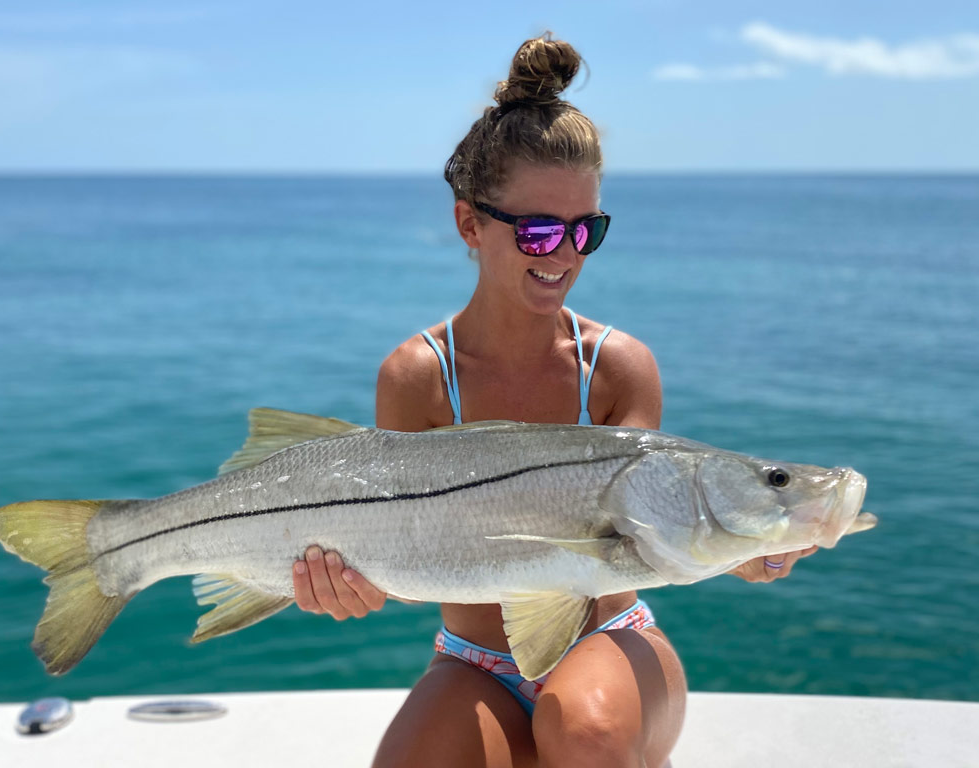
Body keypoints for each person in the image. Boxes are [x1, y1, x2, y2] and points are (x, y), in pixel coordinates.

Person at [290, 34, 818, 768]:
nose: (563, 254)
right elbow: (401, 543)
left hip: (613, 642)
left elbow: (642, 538)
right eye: (539, 231)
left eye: (584, 230)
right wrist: (338, 585)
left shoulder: (618, 368)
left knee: (585, 733)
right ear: (470, 224)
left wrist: (737, 546)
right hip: (474, 662)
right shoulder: (415, 376)